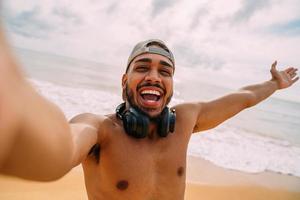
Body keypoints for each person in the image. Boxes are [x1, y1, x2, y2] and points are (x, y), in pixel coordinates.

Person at [0, 27, 298, 199]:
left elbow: (244, 98)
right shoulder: (99, 131)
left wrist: (274, 83)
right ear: (124, 81)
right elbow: (61, 146)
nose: (154, 76)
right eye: (142, 67)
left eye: (164, 71)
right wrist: (12, 101)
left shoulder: (185, 119)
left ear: (170, 84)